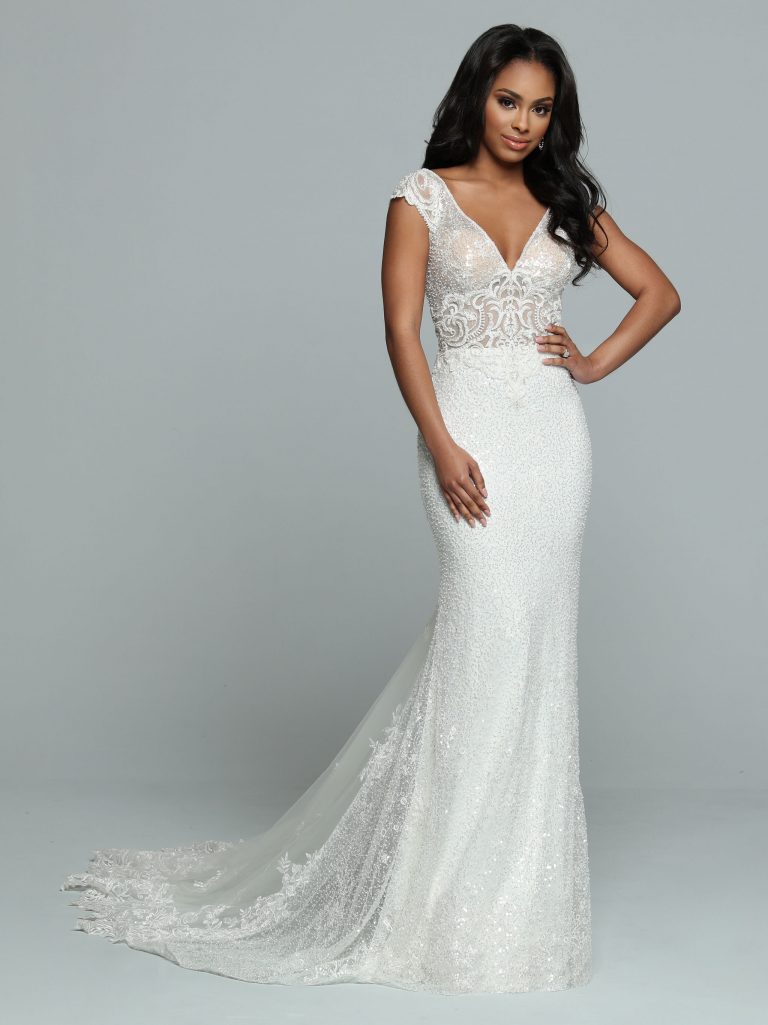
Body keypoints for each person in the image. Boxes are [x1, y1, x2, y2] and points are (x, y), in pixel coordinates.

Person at [60, 24, 681, 995]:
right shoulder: (420, 196)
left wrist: (593, 362)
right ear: (476, 96)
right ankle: (436, 896)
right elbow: (399, 330)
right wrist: (441, 441)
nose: (522, 122)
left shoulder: (566, 201)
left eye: (541, 107)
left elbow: (660, 293)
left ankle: (515, 903)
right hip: (465, 430)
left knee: (535, 646)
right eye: (508, 100)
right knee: (481, 635)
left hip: (554, 448)